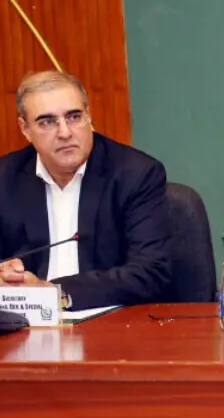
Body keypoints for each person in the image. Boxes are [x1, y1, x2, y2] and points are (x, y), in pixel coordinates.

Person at [0, 71, 172, 310]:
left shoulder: (135, 174)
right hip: (25, 328)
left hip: (110, 327)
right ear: (25, 129)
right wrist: (6, 279)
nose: (65, 132)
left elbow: (150, 273)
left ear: (89, 116)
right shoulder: (5, 179)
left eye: (73, 117)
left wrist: (54, 293)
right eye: (47, 122)